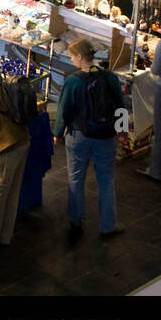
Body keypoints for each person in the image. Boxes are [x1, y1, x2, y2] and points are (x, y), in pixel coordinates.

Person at [53, 39, 125, 242]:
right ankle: (108, 225)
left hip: (79, 136)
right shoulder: (110, 78)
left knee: (76, 177)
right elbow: (120, 105)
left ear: (79, 57)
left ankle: (76, 220)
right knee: (106, 180)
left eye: (71, 56)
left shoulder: (73, 81)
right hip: (106, 136)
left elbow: (64, 109)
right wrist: (121, 130)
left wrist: (58, 132)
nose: (70, 59)